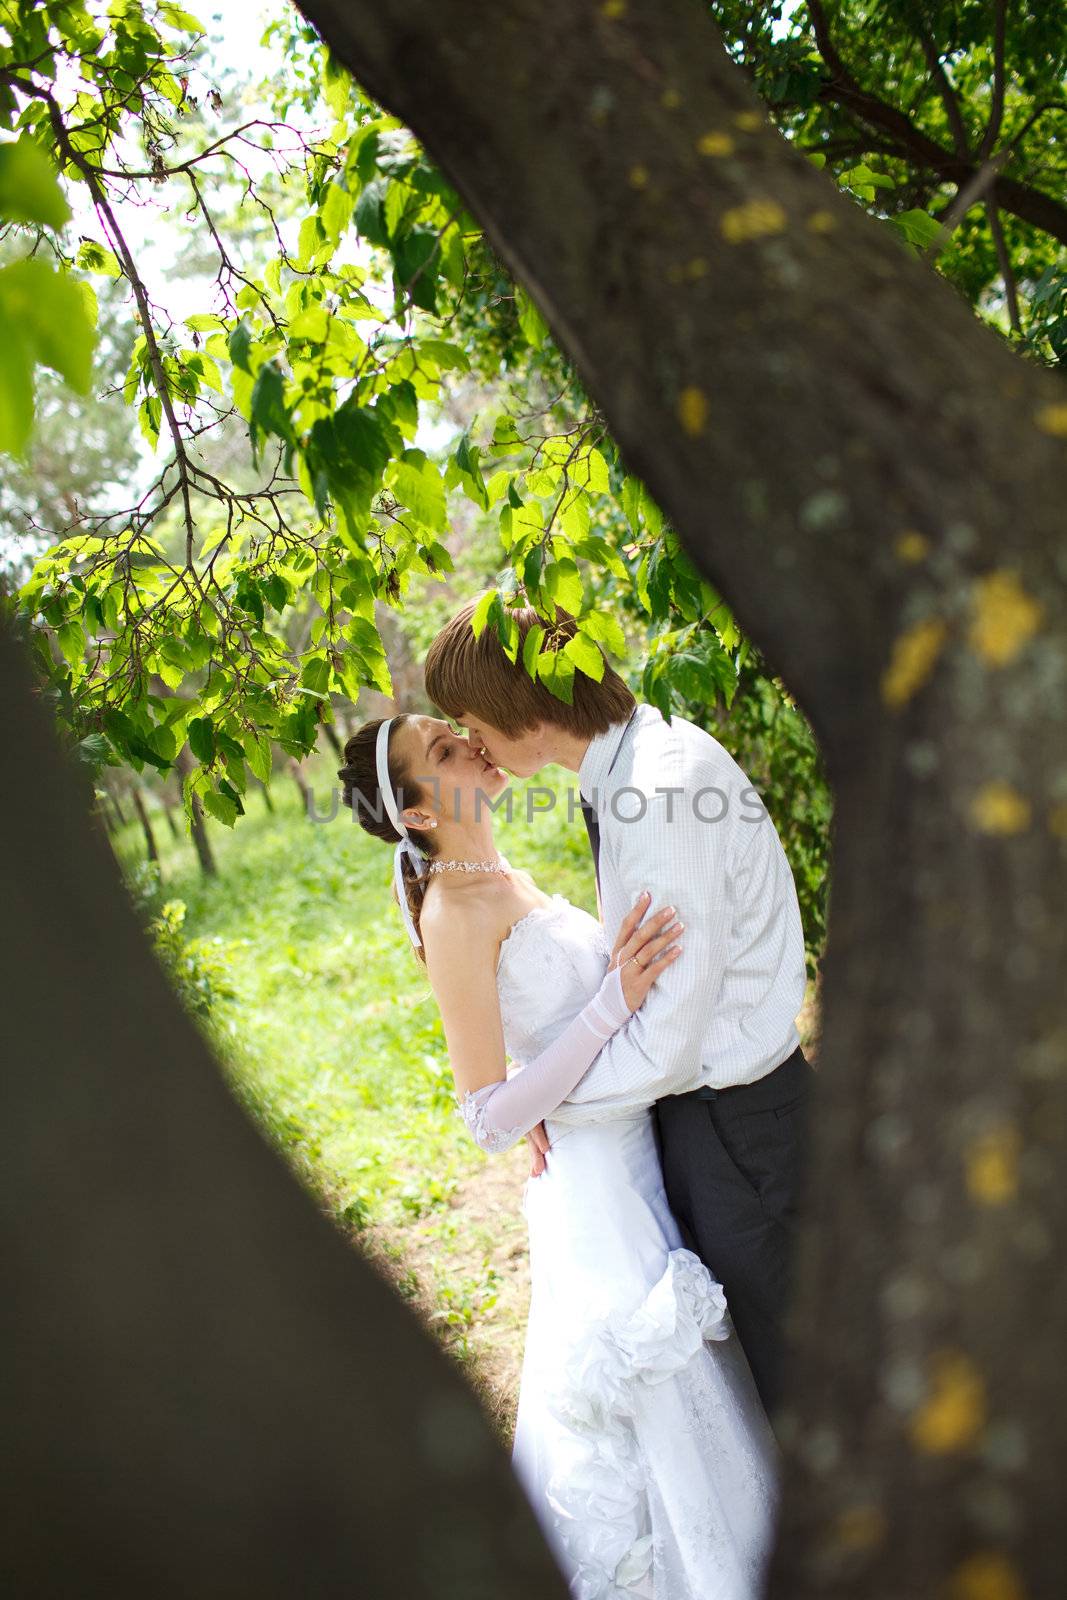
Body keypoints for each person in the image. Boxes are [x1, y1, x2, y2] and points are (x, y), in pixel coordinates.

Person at [337, 709, 779, 1600]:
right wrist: (611, 1001)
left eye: (449, 728)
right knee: (652, 1395)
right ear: (420, 811)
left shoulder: (505, 877)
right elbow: (489, 1115)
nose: (468, 743)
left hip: (645, 1150)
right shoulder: (457, 911)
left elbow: (550, 1047)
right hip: (597, 1191)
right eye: (441, 752)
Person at [423, 599, 813, 1419]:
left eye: (467, 720)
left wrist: (546, 1108)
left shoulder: (658, 793)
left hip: (738, 1130)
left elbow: (667, 1045)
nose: (471, 741)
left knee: (800, 1370)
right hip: (712, 1124)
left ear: (518, 706)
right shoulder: (631, 767)